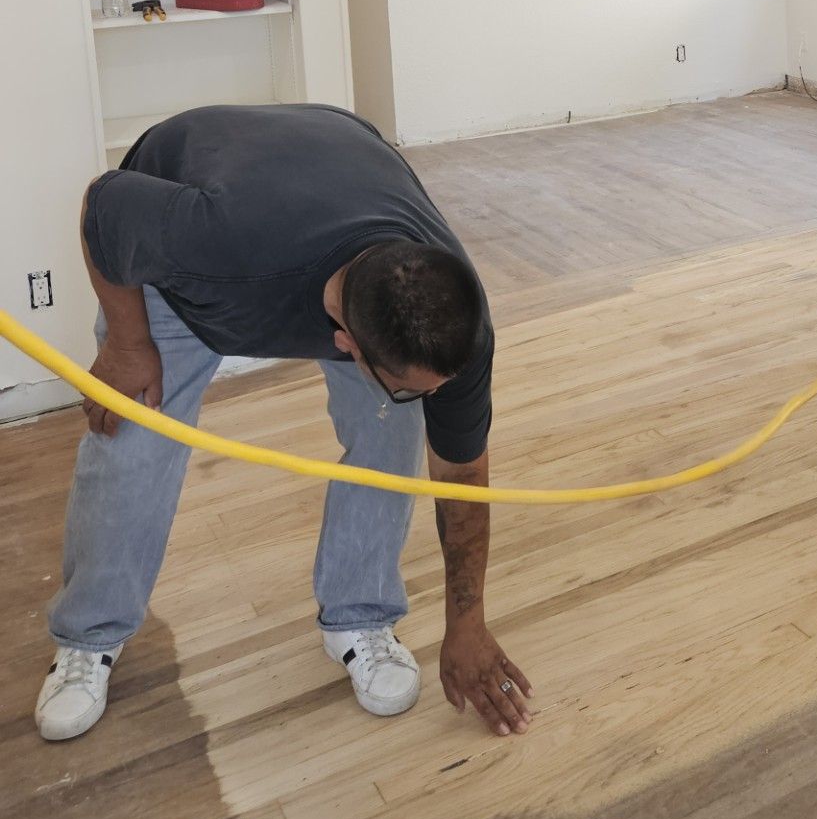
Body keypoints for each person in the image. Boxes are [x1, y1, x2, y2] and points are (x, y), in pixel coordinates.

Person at [34, 103, 533, 742]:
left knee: (392, 424)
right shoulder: (218, 240)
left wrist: (467, 623)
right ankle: (90, 635)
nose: (437, 397)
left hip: (335, 148)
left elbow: (462, 474)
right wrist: (126, 344)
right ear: (348, 346)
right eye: (418, 389)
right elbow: (104, 207)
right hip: (194, 207)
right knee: (129, 432)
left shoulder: (452, 319)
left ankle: (361, 616)